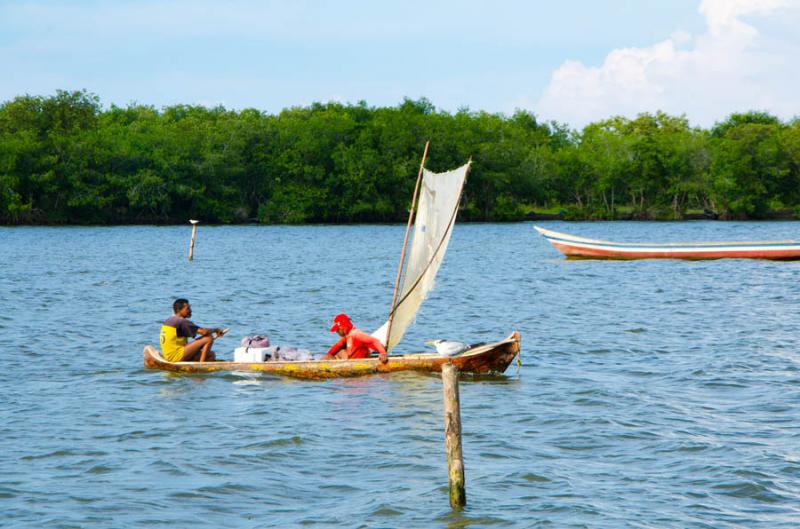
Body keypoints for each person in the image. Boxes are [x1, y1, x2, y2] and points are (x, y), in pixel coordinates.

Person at [160, 298, 225, 362]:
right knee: (209, 338)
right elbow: (204, 332)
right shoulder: (181, 321)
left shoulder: (170, 320)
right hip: (175, 356)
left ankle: (197, 366)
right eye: (187, 309)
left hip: (169, 355)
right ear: (179, 310)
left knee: (211, 355)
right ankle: (201, 366)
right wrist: (216, 330)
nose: (190, 311)